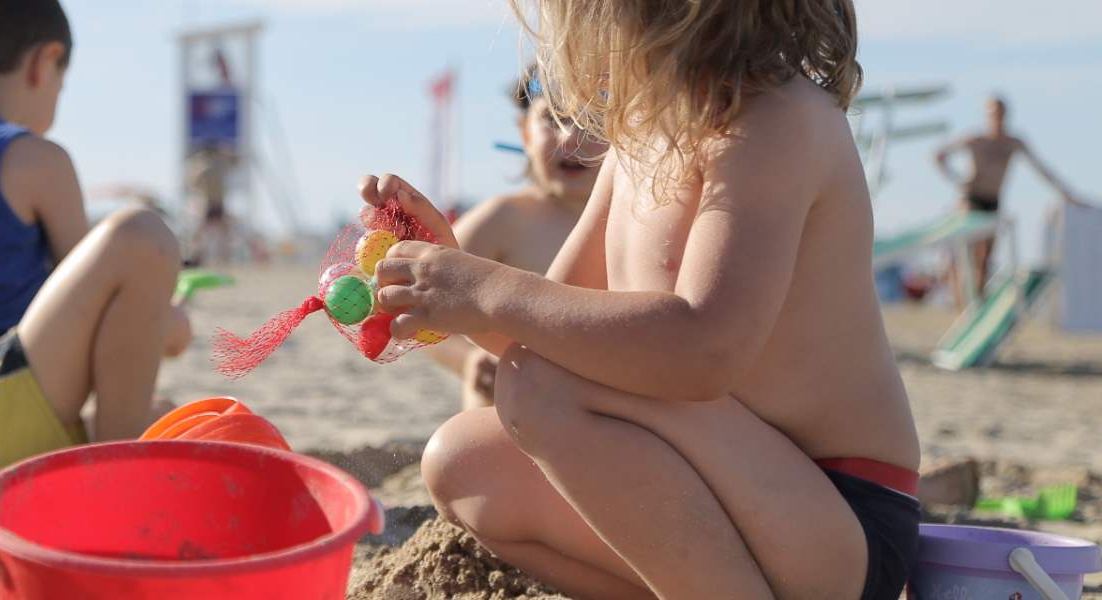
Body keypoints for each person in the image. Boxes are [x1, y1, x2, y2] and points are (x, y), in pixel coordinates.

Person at [369, 1, 921, 598]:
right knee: (460, 461)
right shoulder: (639, 135)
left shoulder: (774, 119)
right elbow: (543, 339)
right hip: (724, 493)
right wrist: (455, 282)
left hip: (836, 515)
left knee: (540, 385)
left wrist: (488, 289)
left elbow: (704, 347)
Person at [0, 0, 191, 495]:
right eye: (61, 84)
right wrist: (172, 321)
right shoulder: (32, 157)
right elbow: (116, 281)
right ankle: (121, 497)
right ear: (43, 63)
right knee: (143, 238)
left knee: (161, 419)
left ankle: (112, 463)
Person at [426, 68, 608, 409]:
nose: (570, 137)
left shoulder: (640, 224)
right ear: (525, 134)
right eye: (554, 119)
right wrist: (467, 361)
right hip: (507, 413)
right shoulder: (503, 220)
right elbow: (425, 310)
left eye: (594, 121)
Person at [933, 96, 1078, 305]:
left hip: (993, 201)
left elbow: (1041, 169)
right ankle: (961, 301)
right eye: (992, 113)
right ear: (986, 115)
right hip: (971, 199)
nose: (997, 118)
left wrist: (1066, 193)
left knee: (986, 256)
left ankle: (977, 302)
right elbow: (938, 155)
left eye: (1000, 113)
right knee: (968, 251)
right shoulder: (976, 140)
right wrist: (958, 180)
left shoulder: (1012, 143)